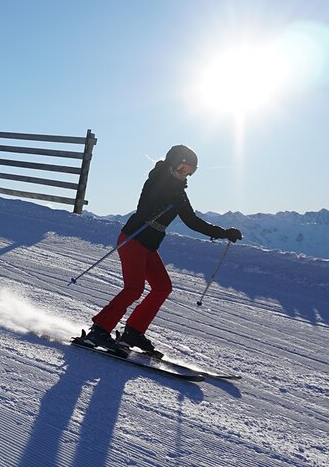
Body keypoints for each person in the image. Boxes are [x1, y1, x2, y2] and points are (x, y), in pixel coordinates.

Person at [80, 144, 242, 358]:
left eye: (190, 172)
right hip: (133, 239)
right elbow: (144, 208)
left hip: (149, 245)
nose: (184, 175)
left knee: (162, 287)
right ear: (172, 164)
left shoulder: (179, 193)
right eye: (182, 169)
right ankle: (99, 330)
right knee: (134, 288)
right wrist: (166, 199)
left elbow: (192, 221)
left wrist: (223, 233)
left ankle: (133, 332)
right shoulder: (156, 180)